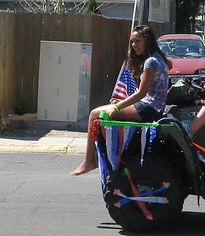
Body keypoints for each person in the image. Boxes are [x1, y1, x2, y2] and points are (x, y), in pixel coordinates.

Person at [71, 25, 170, 175]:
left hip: (148, 109)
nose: (133, 45)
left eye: (137, 41)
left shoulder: (151, 62)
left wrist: (117, 108)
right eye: (131, 42)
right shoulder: (159, 58)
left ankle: (88, 162)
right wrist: (119, 103)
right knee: (107, 108)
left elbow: (141, 94)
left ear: (147, 41)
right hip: (151, 107)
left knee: (94, 114)